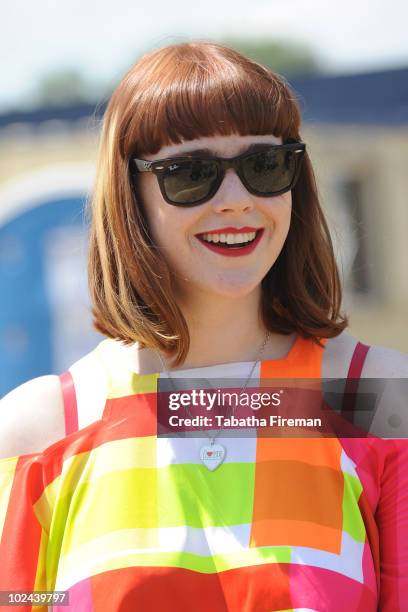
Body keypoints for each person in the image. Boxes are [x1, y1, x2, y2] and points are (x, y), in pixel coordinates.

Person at [0, 41, 407, 612]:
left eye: (265, 165)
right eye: (192, 174)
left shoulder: (379, 397)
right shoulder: (40, 430)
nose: (237, 200)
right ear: (129, 195)